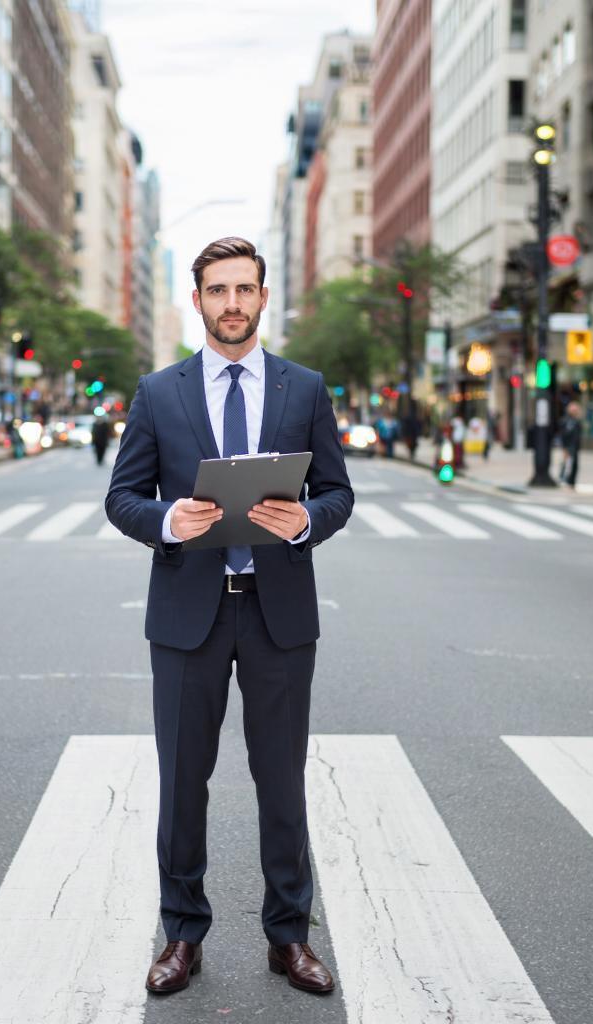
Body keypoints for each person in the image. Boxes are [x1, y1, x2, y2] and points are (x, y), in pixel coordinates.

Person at [106, 236, 353, 997]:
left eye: (245, 289)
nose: (233, 303)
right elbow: (121, 497)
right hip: (189, 616)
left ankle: (290, 936)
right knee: (184, 783)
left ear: (263, 297)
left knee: (282, 781)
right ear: (199, 301)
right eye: (219, 290)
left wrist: (306, 521)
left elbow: (338, 493)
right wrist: (167, 520)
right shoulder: (159, 392)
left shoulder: (304, 389)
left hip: (280, 615)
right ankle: (182, 934)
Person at [557, 402, 583, 487]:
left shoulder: (576, 421)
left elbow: (577, 435)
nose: (576, 412)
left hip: (575, 446)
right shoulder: (566, 421)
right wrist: (564, 447)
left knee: (573, 464)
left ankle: (571, 481)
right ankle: (564, 479)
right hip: (569, 446)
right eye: (574, 410)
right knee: (567, 463)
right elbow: (564, 435)